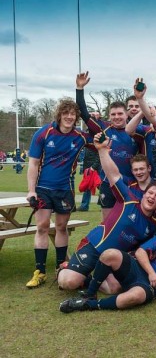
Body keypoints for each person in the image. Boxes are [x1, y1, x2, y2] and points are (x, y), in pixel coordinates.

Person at [57, 133, 156, 292]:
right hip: (95, 247)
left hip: (112, 258)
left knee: (115, 288)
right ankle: (66, 268)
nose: (152, 197)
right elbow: (113, 175)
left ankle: (88, 278)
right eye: (150, 193)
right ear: (144, 194)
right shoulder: (129, 199)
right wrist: (102, 151)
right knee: (68, 283)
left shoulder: (154, 224)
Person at [59, 219, 156, 313]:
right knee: (110, 254)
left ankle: (89, 305)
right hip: (138, 268)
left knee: (132, 296)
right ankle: (90, 292)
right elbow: (141, 251)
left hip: (149, 285)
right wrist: (151, 272)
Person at [25, 99, 93, 288]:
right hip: (43, 189)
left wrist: (94, 119)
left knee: (62, 227)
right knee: (42, 226)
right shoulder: (44, 133)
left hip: (65, 190)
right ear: (60, 115)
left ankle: (61, 267)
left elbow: (100, 137)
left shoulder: (80, 137)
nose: (70, 117)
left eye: (73, 114)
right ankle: (40, 271)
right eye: (66, 113)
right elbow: (33, 163)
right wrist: (31, 191)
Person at [76, 72, 140, 220]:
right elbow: (84, 113)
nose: (117, 117)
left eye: (120, 114)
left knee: (130, 222)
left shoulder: (138, 131)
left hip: (130, 183)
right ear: (109, 116)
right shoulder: (102, 129)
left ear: (127, 115)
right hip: (108, 183)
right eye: (113, 114)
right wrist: (79, 89)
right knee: (107, 222)